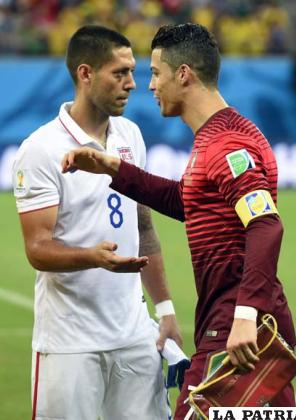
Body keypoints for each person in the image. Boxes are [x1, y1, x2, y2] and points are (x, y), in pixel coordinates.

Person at [62, 23, 296, 419]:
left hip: (234, 329)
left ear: (183, 74)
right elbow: (189, 201)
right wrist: (115, 169)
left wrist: (244, 316)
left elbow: (266, 224)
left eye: (156, 73)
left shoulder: (227, 144)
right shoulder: (219, 136)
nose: (149, 86)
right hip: (246, 322)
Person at [12, 25, 183, 420]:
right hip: (70, 344)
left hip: (135, 337)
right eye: (119, 73)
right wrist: (94, 257)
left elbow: (143, 227)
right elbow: (37, 248)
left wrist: (166, 309)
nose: (133, 84)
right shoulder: (41, 149)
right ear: (85, 74)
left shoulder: (130, 135)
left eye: (133, 72)